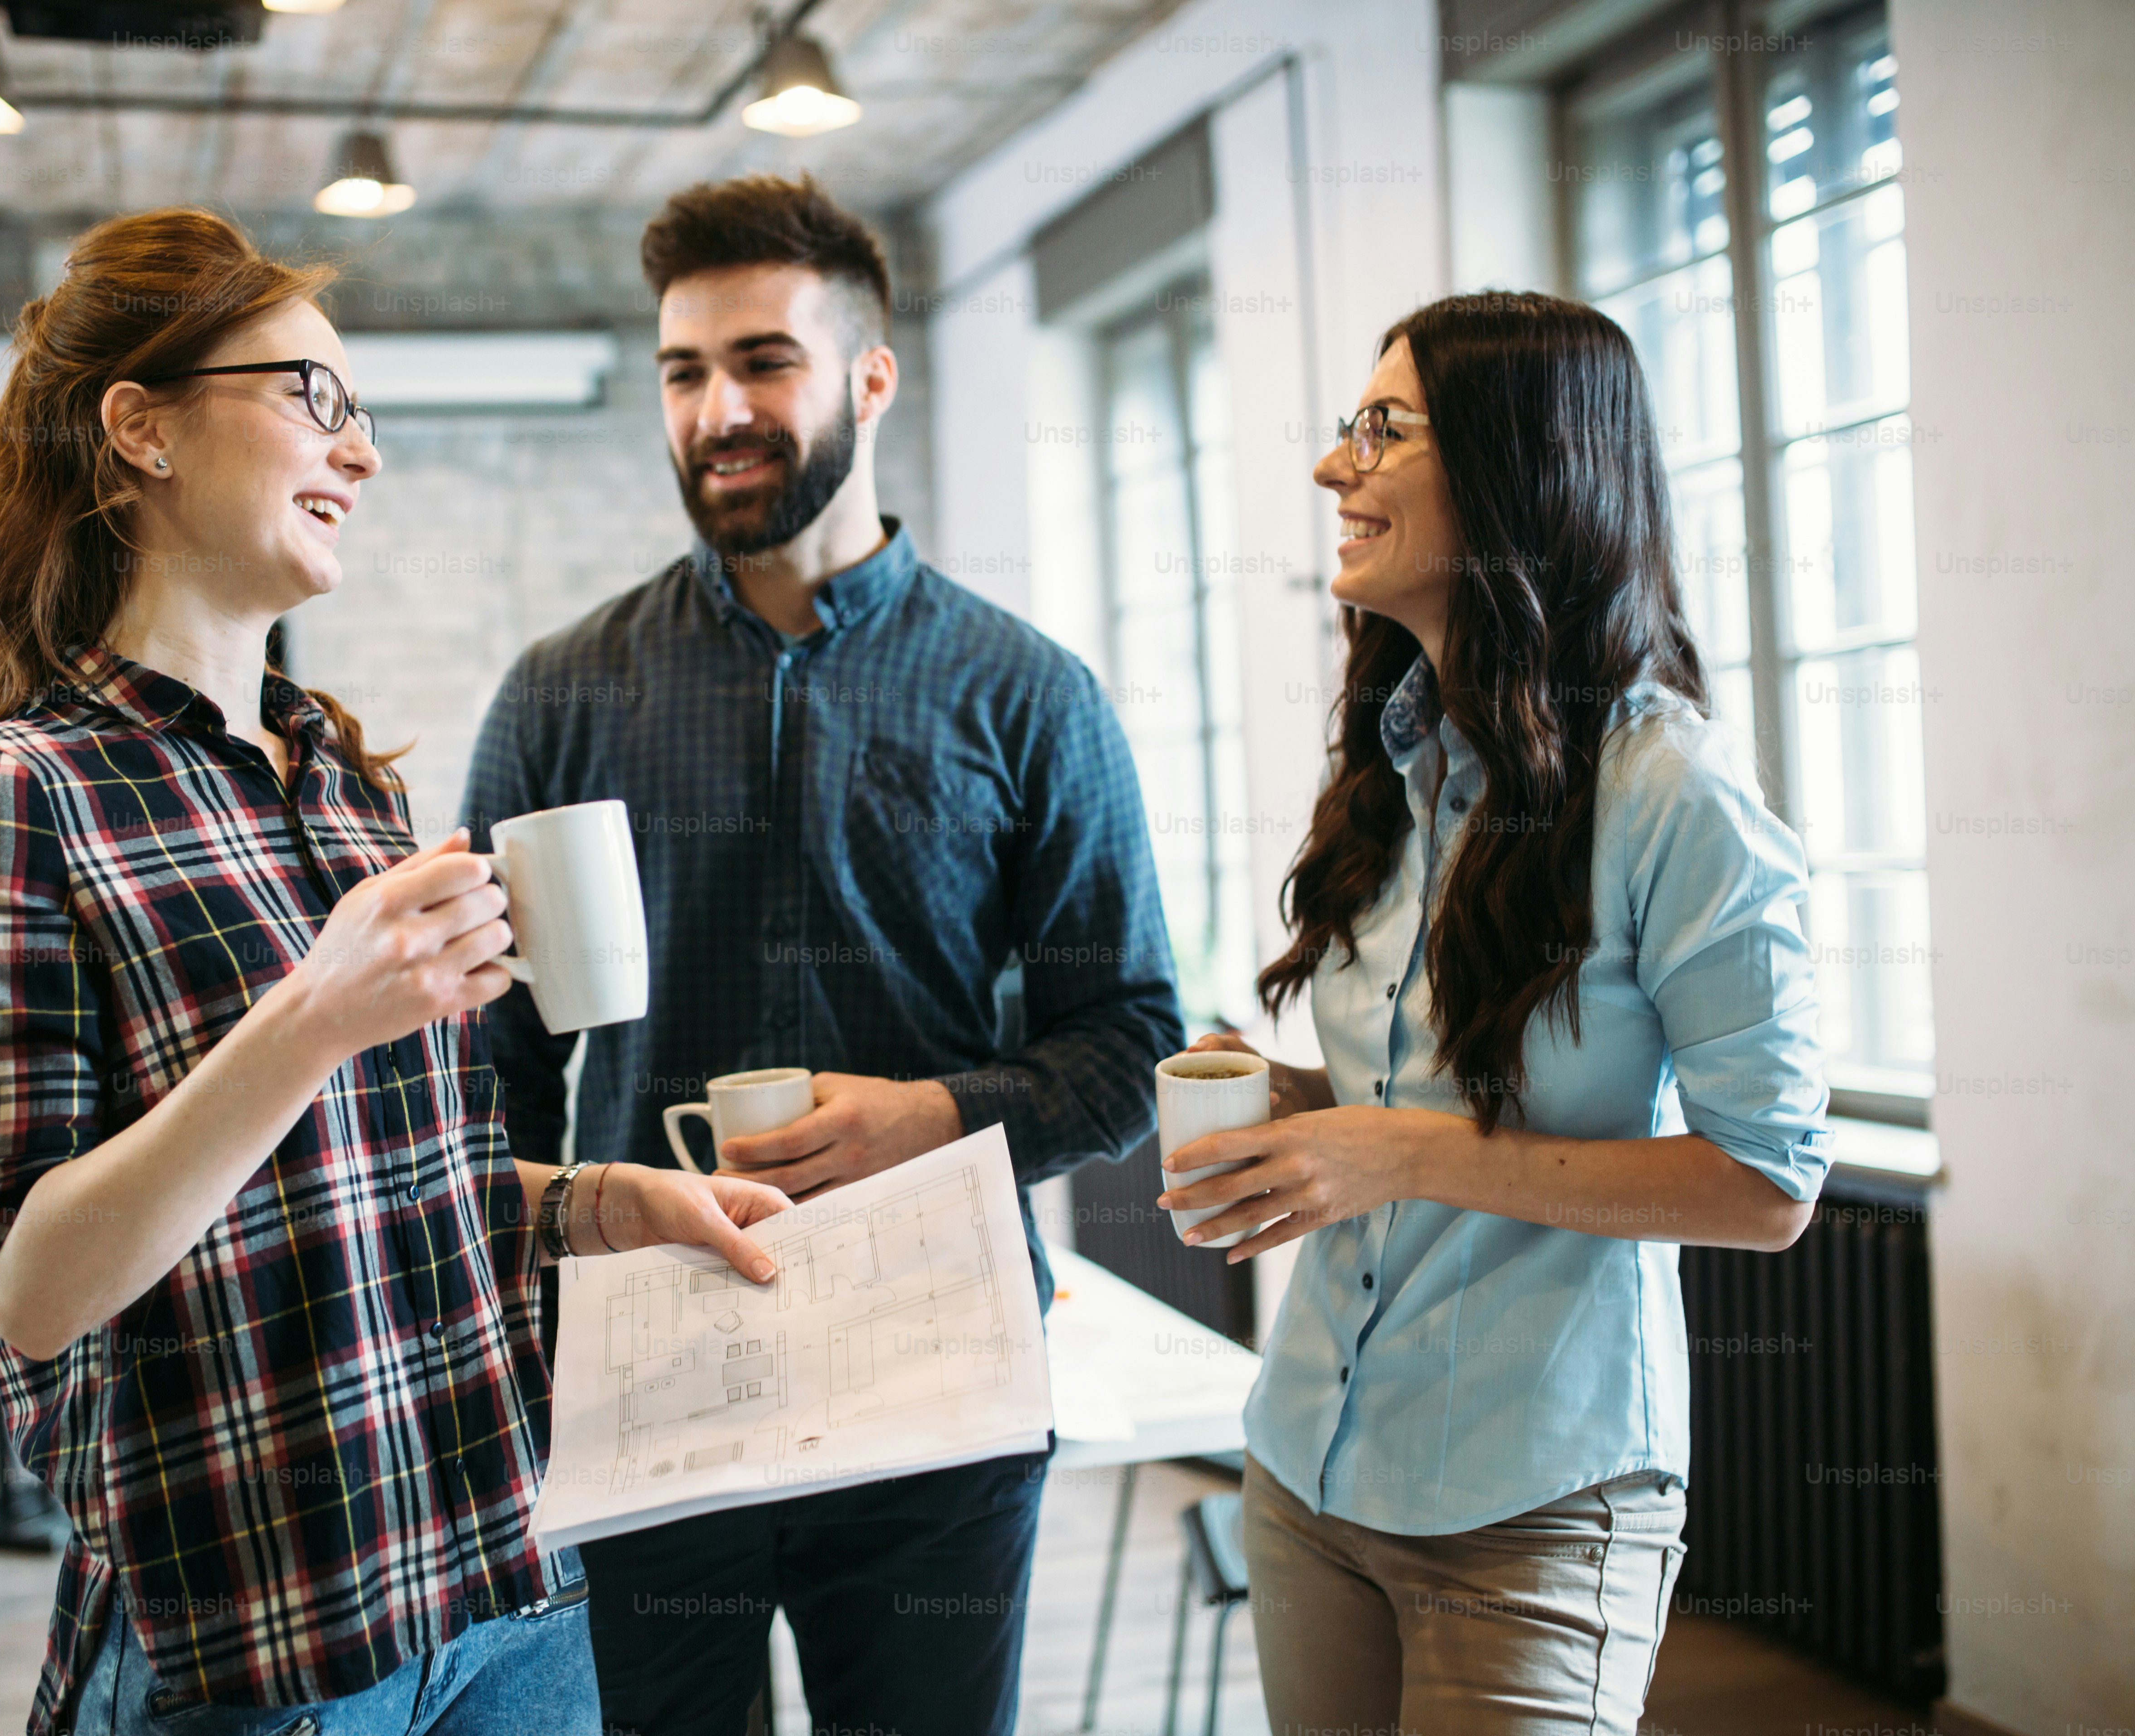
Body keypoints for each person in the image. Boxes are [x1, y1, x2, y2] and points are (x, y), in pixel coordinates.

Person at [0, 207, 791, 1736]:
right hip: (259, 1647)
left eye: (360, 412)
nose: (359, 455)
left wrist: (591, 1201)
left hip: (511, 1589)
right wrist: (315, 1016)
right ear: (141, 431)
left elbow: (356, 1197)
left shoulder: (343, 782)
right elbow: (30, 1289)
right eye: (312, 396)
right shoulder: (16, 793)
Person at [462, 173, 1181, 1736]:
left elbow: (1129, 1043)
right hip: (643, 1378)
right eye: (683, 370)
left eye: (763, 363)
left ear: (868, 377)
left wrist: (937, 1117)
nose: (719, 408)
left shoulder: (1030, 698)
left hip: (940, 1384)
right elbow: (485, 1066)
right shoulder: (560, 698)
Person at [1154, 292, 1832, 1736]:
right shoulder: (1392, 767)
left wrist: (1398, 1152)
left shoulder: (1678, 799)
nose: (1335, 471)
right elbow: (1400, 1107)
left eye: (1381, 431)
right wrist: (1295, 1113)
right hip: (1309, 1467)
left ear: (1524, 470)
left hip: (1537, 1499)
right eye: (1350, 431)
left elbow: (1768, 1186)